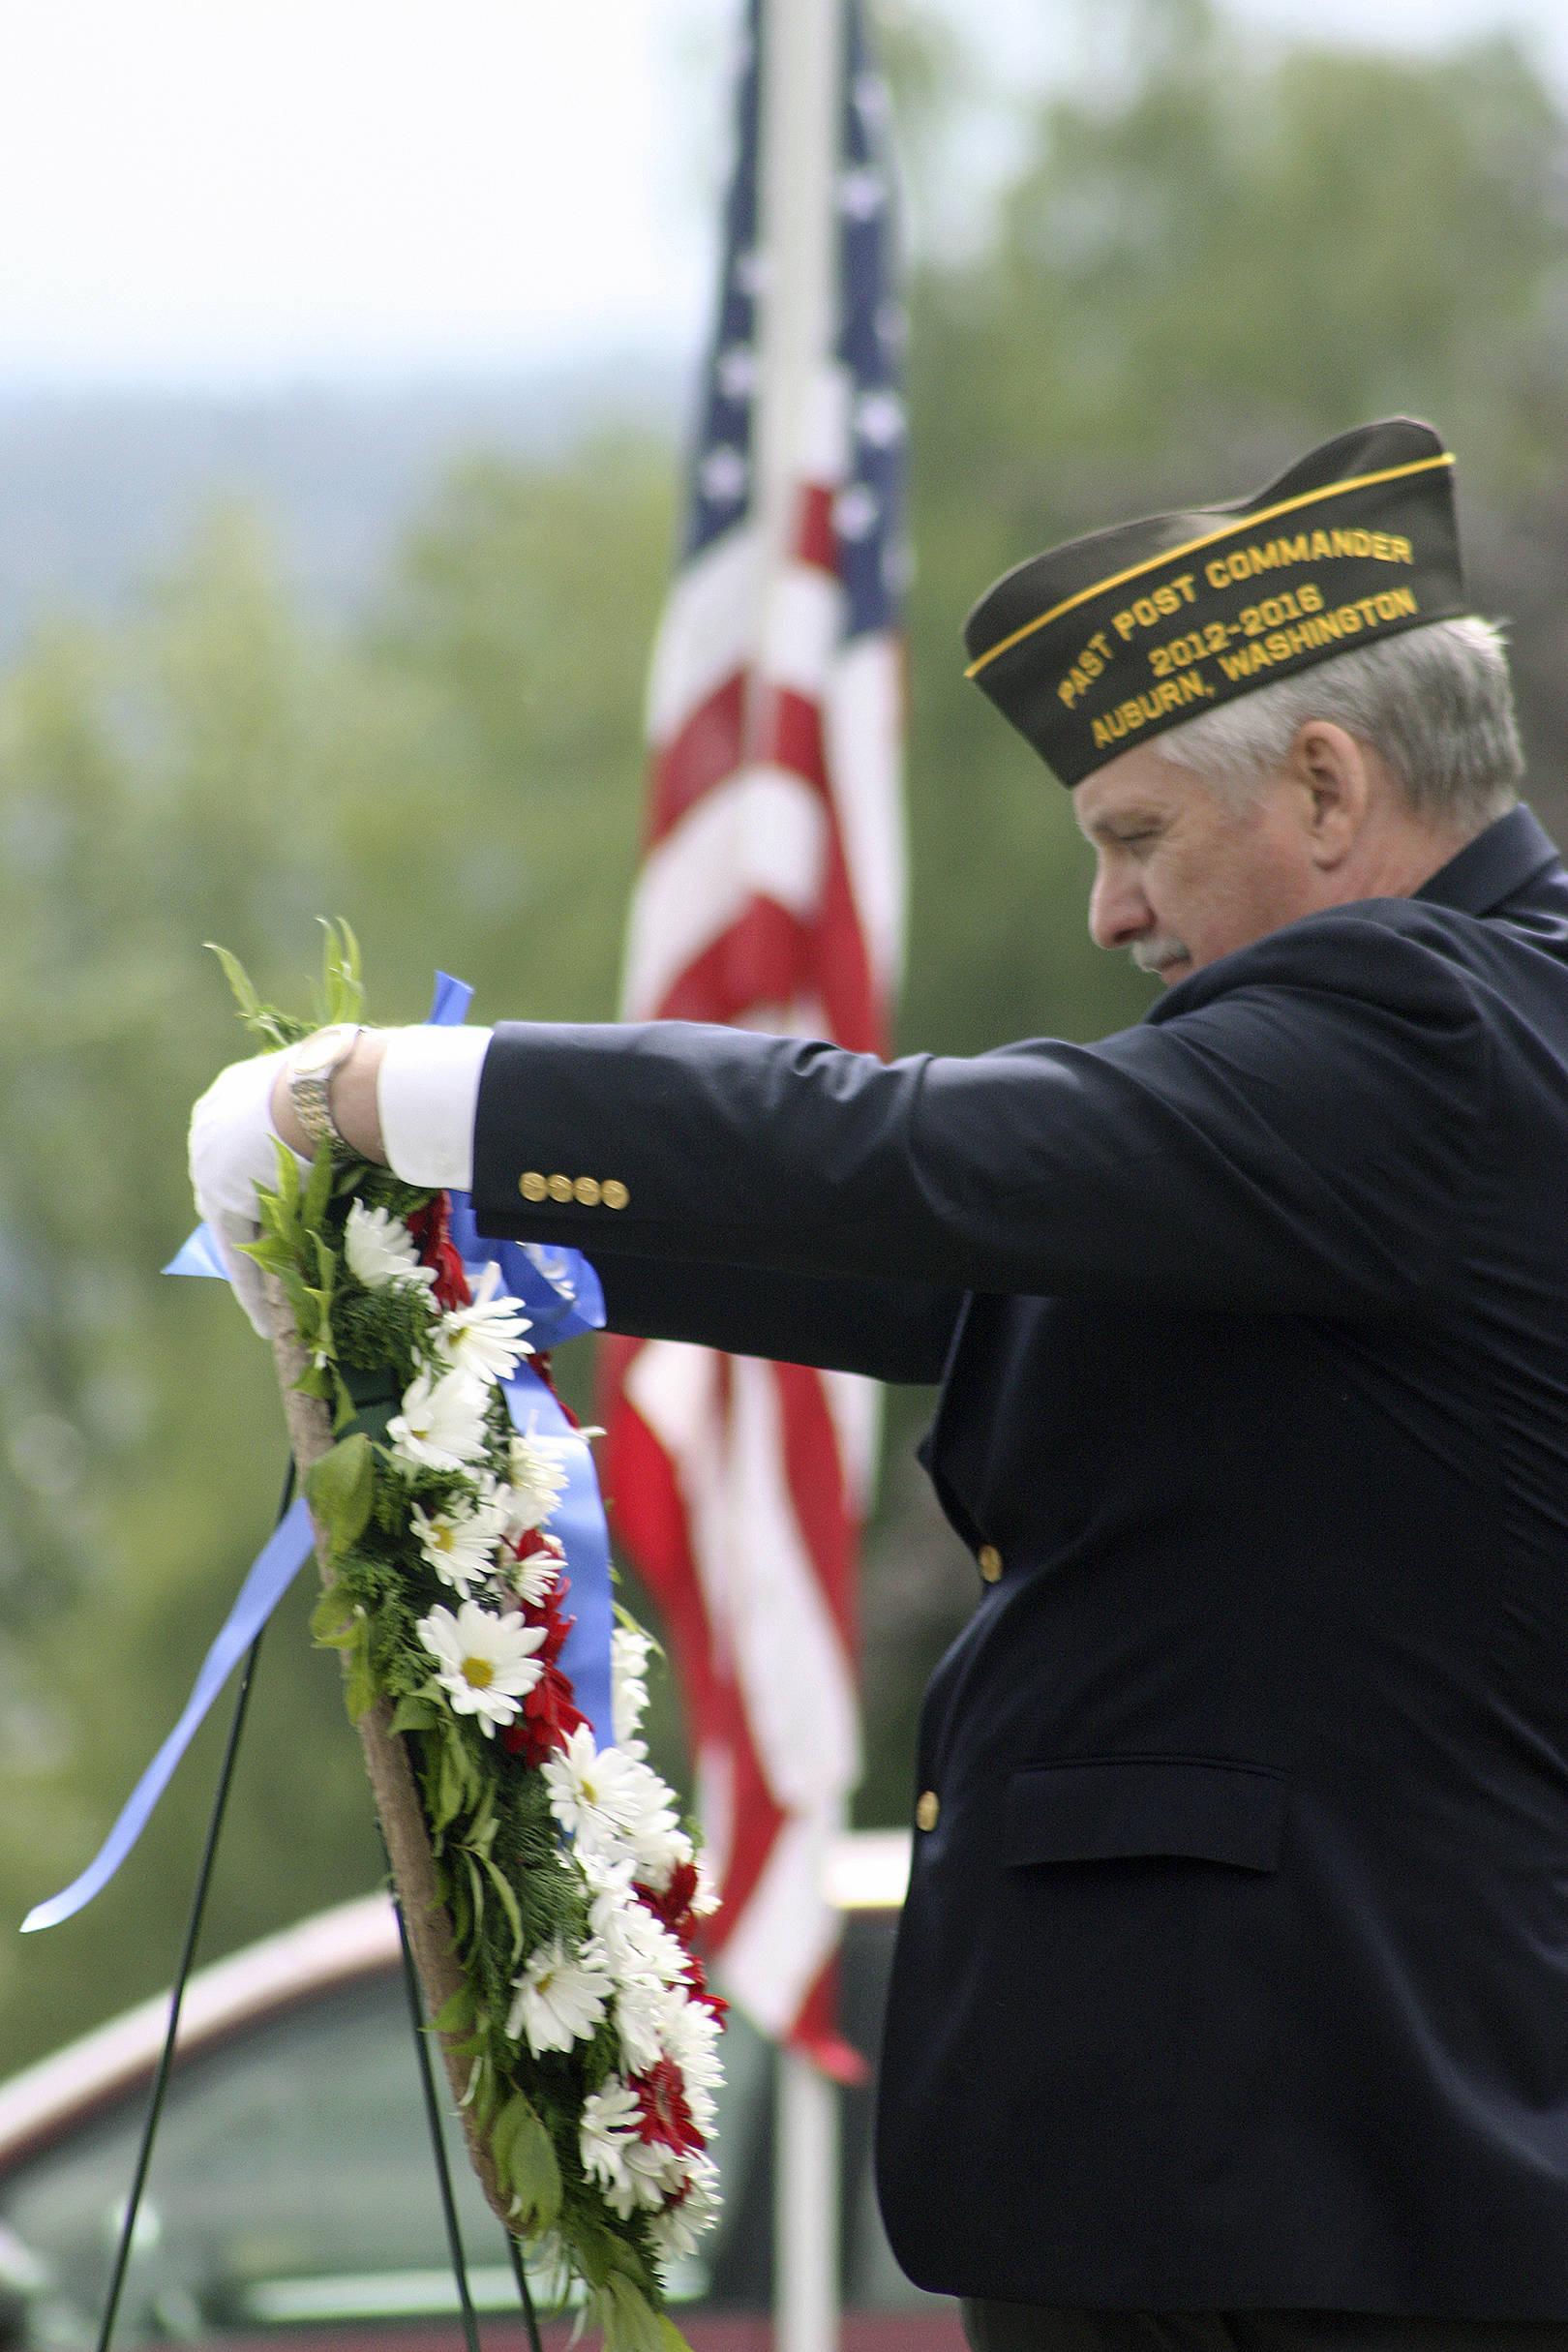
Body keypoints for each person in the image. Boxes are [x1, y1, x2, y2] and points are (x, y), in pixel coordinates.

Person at [192, 418, 1568, 2351]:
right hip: (1276, 2185)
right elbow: (949, 1255)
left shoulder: (1426, 1030)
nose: (1111, 913)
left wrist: (415, 1095)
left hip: (1296, 2203)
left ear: (1329, 790)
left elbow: (911, 1156)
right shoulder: (1440, 1058)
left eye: (1136, 834)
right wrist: (438, 1216)